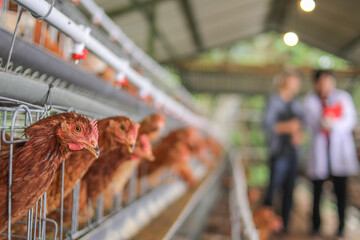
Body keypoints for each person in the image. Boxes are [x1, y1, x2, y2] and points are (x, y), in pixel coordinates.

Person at [303, 70, 359, 237]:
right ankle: (315, 226)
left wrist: (333, 124)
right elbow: (309, 122)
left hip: (339, 154)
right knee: (317, 192)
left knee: (340, 193)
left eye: (328, 81)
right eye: (321, 82)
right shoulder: (310, 101)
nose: (325, 85)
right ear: (316, 84)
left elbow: (350, 121)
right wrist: (322, 121)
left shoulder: (343, 98)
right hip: (320, 153)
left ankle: (341, 226)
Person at [263, 70, 303, 232]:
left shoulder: (296, 103)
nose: (297, 85)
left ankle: (283, 226)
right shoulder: (274, 101)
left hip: (293, 153)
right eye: (294, 81)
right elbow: (267, 125)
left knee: (289, 190)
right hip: (279, 152)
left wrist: (298, 135)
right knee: (273, 188)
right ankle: (265, 224)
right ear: (285, 81)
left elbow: (301, 125)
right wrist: (288, 127)